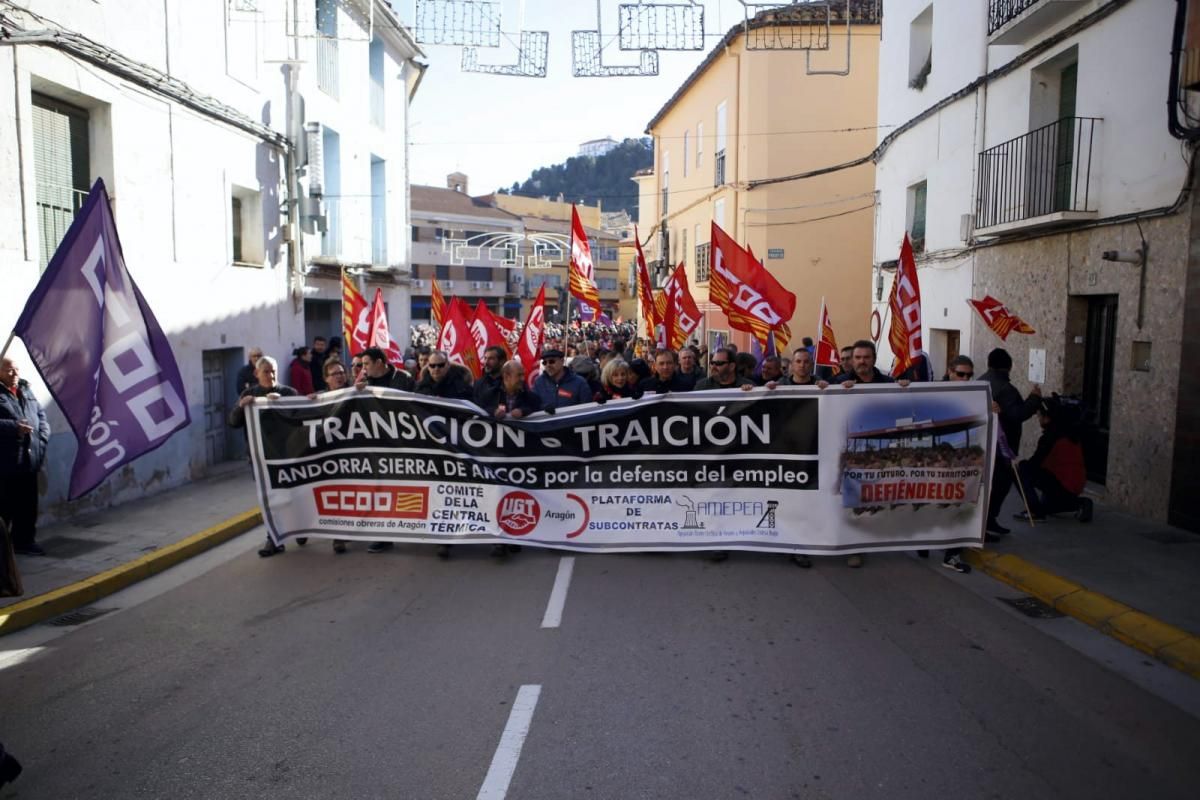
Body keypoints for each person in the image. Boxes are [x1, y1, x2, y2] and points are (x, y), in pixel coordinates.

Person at [228, 356, 298, 558]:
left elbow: (301, 418)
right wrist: (241, 406)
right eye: (266, 371)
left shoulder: (288, 392)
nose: (271, 375)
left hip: (287, 456)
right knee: (269, 499)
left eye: (273, 371)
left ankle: (300, 528)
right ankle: (274, 539)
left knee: (292, 495)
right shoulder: (249, 394)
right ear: (257, 374)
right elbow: (233, 422)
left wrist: (284, 404)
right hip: (260, 459)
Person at [981, 348, 1041, 538]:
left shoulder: (980, 382)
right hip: (1002, 447)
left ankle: (988, 521)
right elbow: (1017, 414)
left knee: (990, 486)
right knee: (1000, 486)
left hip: (984, 444)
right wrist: (1034, 399)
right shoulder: (1006, 389)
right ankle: (987, 521)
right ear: (1008, 367)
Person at [0, 358, 51, 556]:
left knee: (28, 506)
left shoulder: (25, 389)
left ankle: (24, 542)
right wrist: (14, 428)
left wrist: (43, 438)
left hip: (30, 460)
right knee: (5, 508)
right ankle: (3, 550)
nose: (14, 374)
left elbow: (41, 415)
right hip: (7, 462)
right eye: (8, 371)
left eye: (16, 370)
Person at [1016, 396, 1093, 522]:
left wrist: (1017, 465)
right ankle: (1081, 503)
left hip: (1062, 483)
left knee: (1022, 469)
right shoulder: (1069, 431)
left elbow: (1035, 464)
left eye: (1039, 416)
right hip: (1074, 484)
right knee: (1047, 506)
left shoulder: (1050, 437)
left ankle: (1035, 512)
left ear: (1047, 418)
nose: (1039, 419)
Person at [311, 360, 352, 554]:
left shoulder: (355, 393)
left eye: (342, 372)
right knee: (337, 497)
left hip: (352, 453)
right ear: (326, 378)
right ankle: (339, 536)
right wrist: (306, 403)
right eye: (335, 374)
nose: (339, 376)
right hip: (329, 456)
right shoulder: (319, 398)